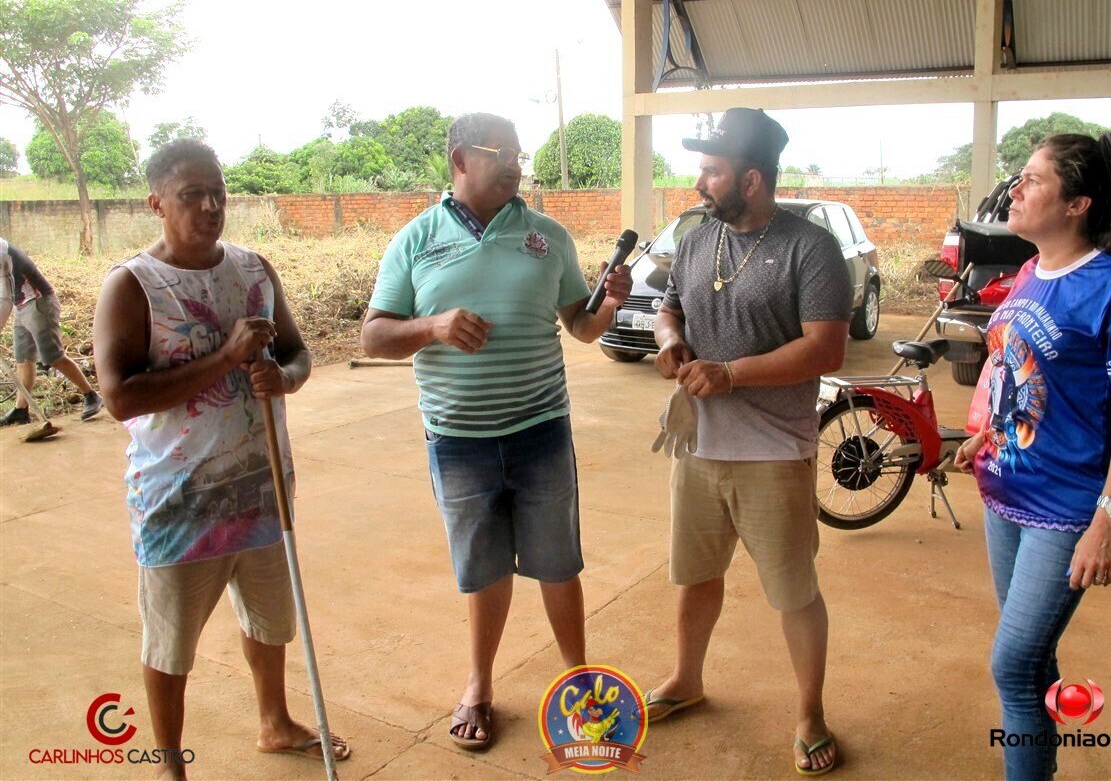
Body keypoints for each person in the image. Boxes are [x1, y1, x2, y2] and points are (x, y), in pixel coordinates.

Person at [360, 112, 632, 750]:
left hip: (541, 429)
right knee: (483, 569)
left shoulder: (547, 236)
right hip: (458, 441)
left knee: (559, 564)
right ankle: (479, 686)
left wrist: (609, 302)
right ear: (459, 160)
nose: (515, 163)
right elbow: (373, 335)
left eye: (519, 151)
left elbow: (581, 327)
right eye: (499, 152)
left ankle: (581, 686)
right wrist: (431, 327)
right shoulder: (415, 240)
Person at [93, 139, 348, 779]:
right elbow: (120, 397)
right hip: (180, 502)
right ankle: (170, 763)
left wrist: (284, 379)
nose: (210, 207)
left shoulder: (255, 269)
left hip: (263, 489)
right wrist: (227, 359)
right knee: (172, 641)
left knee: (271, 620)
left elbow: (297, 352)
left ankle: (275, 722)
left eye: (218, 194)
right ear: (156, 203)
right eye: (191, 196)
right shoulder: (131, 287)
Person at [648, 108, 851, 776]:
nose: (700, 181)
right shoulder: (700, 236)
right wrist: (672, 341)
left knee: (792, 590)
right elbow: (668, 304)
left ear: (753, 179)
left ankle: (809, 712)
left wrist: (730, 373)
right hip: (698, 444)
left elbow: (826, 348)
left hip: (774, 451)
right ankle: (686, 677)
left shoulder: (811, 247)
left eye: (712, 170)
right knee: (696, 576)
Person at [955, 133, 1111, 780]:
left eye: (1034, 180)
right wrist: (986, 431)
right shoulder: (1029, 272)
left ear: (1077, 204)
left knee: (1013, 664)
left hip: (1066, 508)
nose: (1015, 188)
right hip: (1005, 494)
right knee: (1035, 659)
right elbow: (1013, 367)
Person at [0, 236, 103, 425]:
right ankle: (21, 410)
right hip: (21, 304)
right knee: (23, 359)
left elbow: (4, 299)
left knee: (52, 357)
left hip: (39, 303)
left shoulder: (1, 252)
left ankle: (91, 395)